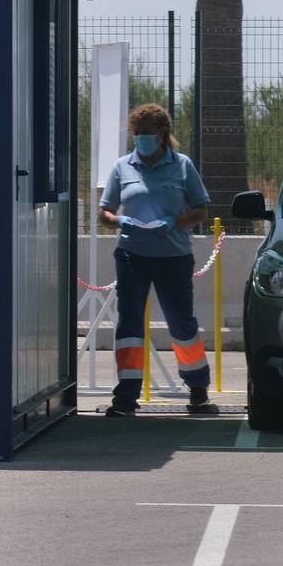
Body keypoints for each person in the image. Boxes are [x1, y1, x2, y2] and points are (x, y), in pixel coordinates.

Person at [99, 104, 219, 417]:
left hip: (173, 256)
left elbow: (201, 210)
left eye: (148, 134)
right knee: (130, 323)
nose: (142, 139)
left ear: (162, 134)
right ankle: (126, 396)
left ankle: (197, 389)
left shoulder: (182, 166)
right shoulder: (122, 167)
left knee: (181, 323)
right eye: (137, 134)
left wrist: (174, 221)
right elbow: (105, 213)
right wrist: (120, 221)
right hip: (132, 254)